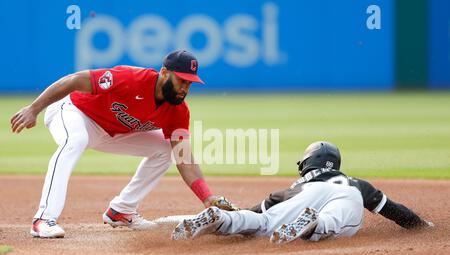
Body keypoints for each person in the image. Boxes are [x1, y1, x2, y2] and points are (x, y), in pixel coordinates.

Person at [10, 49, 236, 238]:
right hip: (73, 111)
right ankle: (43, 219)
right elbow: (73, 81)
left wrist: (207, 197)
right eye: (182, 81)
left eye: (190, 84)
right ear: (164, 73)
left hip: (111, 132)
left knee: (166, 149)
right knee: (75, 140)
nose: (185, 89)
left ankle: (122, 211)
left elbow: (184, 157)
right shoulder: (130, 79)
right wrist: (33, 109)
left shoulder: (178, 111)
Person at [171, 141, 433, 244]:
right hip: (345, 196)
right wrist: (421, 225)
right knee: (335, 220)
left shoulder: (293, 187)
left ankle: (221, 218)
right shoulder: (354, 183)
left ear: (307, 163)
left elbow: (255, 211)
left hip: (297, 201)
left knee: (262, 222)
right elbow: (393, 210)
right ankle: (314, 225)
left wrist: (235, 212)